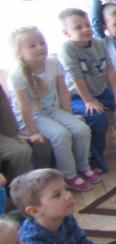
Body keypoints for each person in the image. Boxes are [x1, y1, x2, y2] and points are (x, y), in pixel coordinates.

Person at [7, 28, 96, 192]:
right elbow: (24, 107)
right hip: (32, 117)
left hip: (53, 110)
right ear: (19, 53)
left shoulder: (53, 63)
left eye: (42, 43)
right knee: (61, 135)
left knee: (82, 129)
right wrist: (33, 132)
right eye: (32, 46)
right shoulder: (16, 75)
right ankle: (68, 175)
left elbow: (63, 91)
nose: (40, 47)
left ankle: (83, 166)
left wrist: (70, 116)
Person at [57, 8, 116, 174]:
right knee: (97, 117)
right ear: (66, 32)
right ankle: (94, 159)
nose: (85, 30)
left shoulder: (99, 43)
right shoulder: (68, 48)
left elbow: (110, 70)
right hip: (77, 97)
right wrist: (89, 100)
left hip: (101, 91)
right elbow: (76, 77)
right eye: (78, 27)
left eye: (87, 25)